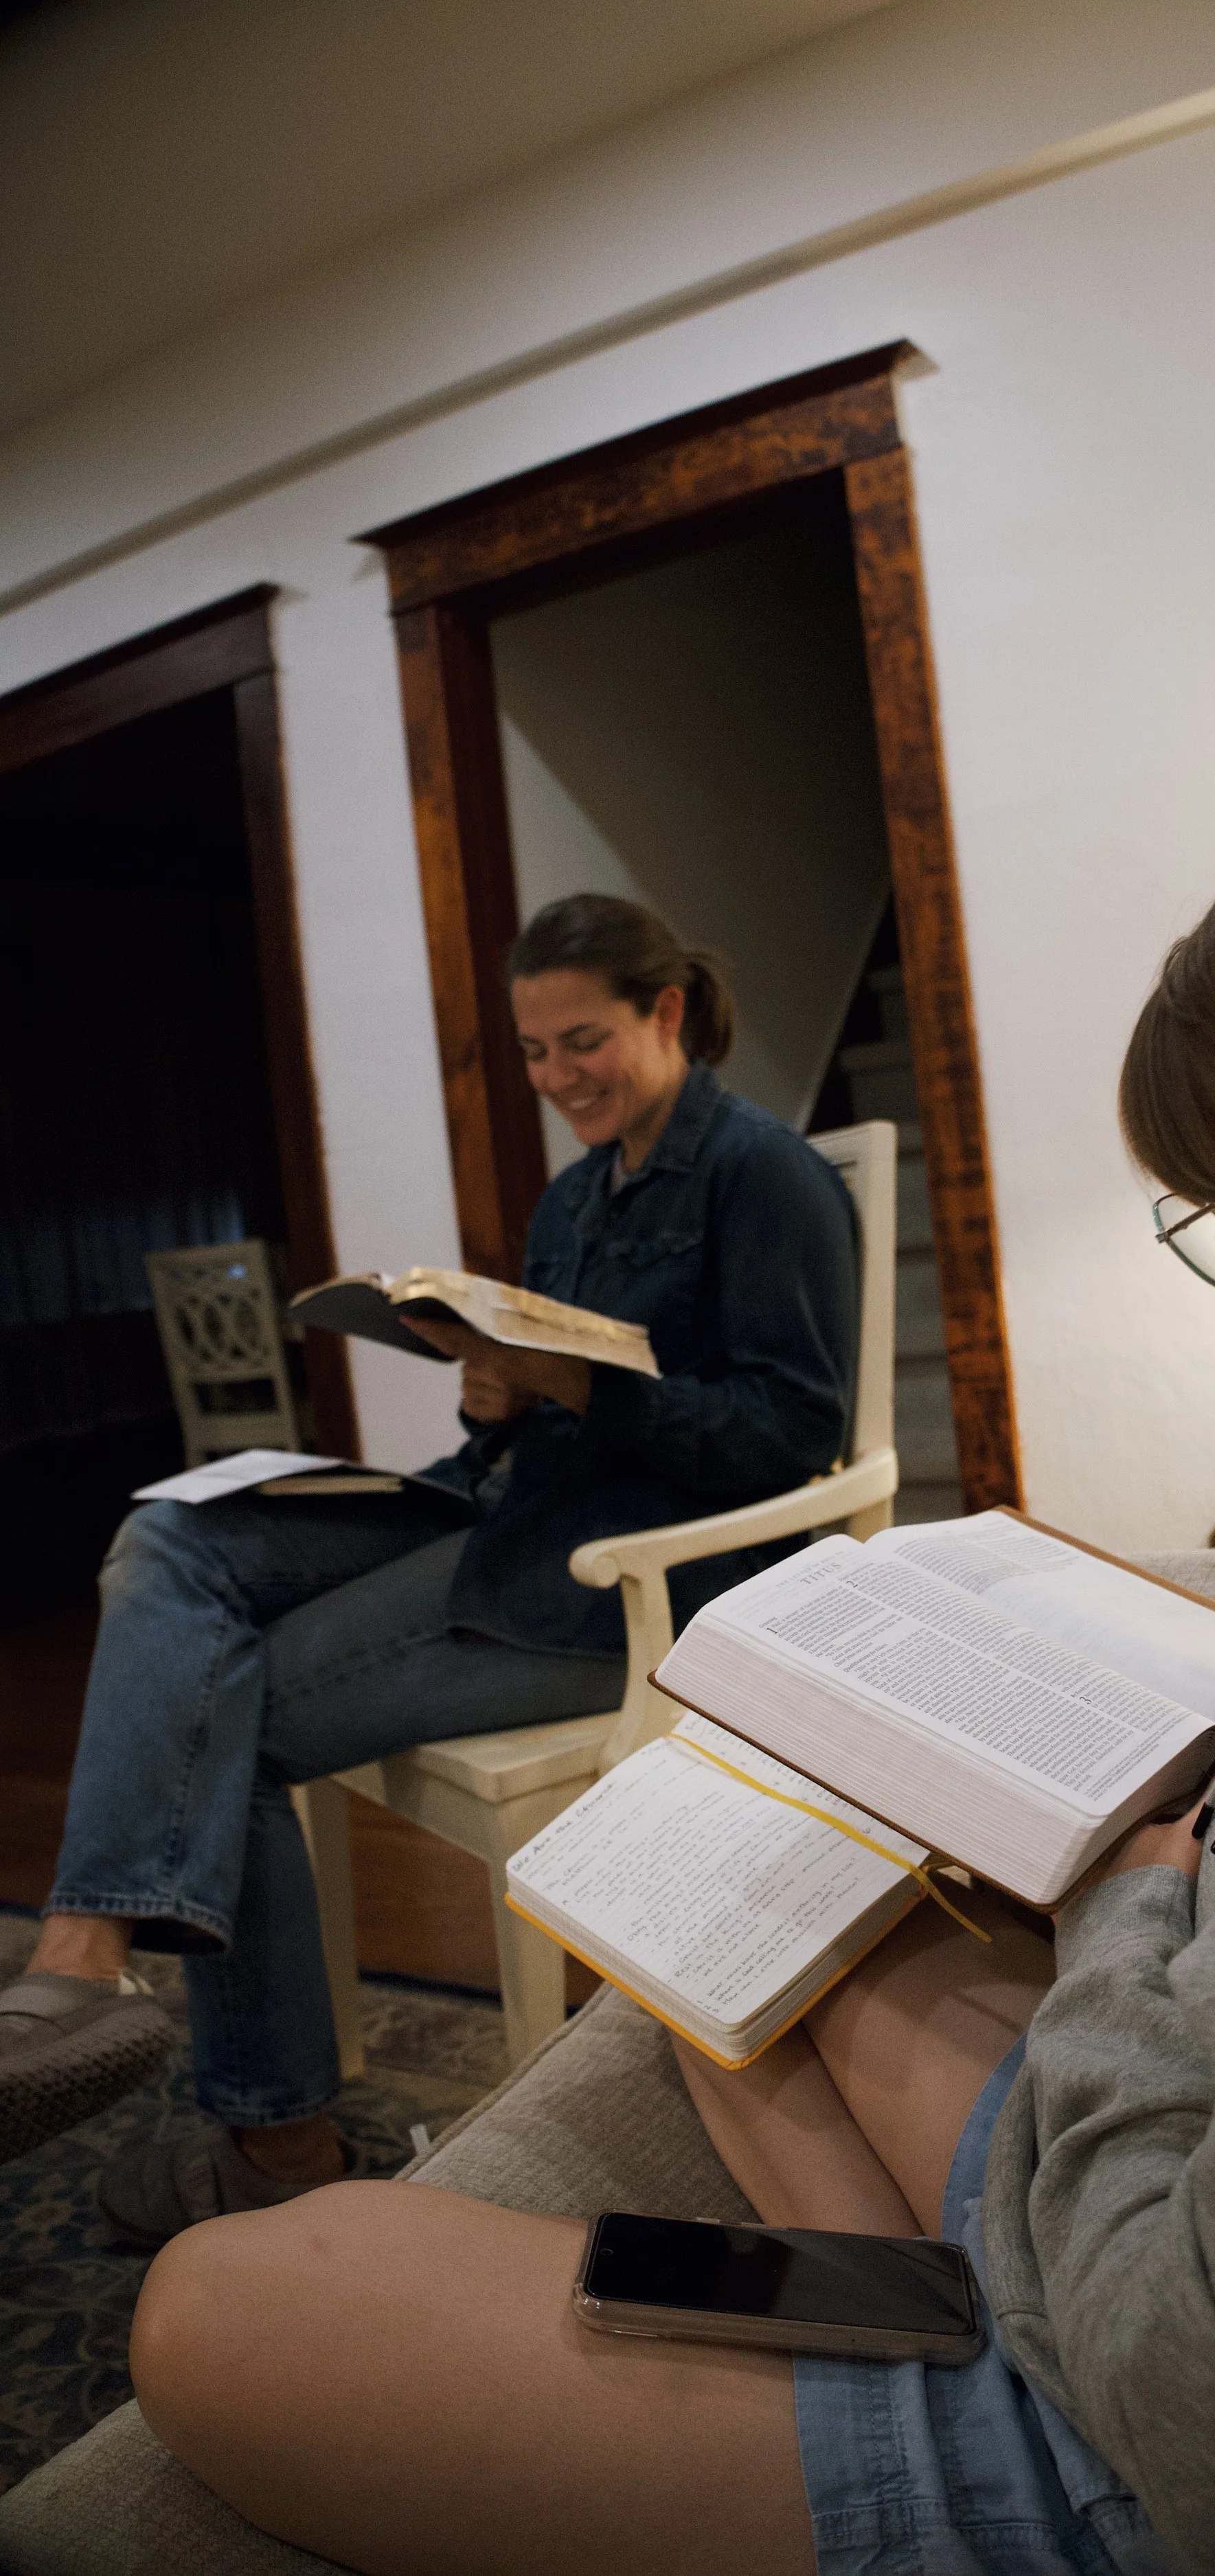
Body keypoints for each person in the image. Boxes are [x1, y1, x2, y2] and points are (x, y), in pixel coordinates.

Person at [125, 760, 1215, 2576]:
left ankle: (959, 2367)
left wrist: (1123, 1920)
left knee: (215, 2304)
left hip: (1165, 2449)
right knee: (732, 1901)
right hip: (1170, 2176)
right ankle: (967, 2302)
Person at [0, 894, 859, 2241]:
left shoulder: (768, 1178)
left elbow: (790, 1434)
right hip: (500, 1508)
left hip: (613, 1578)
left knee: (222, 1715)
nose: (557, 1078)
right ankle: (87, 1947)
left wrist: (578, 1386)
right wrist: (495, 1396)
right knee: (173, 1538)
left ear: (667, 1013)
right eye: (532, 1053)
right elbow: (536, 1399)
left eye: (583, 1042)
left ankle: (269, 2139)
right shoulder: (574, 1198)